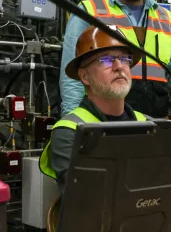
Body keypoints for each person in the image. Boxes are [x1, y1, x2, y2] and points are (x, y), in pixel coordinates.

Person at [40, 26, 148, 188]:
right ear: (85, 77)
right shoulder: (69, 131)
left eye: (124, 59)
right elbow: (86, 201)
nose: (119, 66)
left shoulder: (147, 124)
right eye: (107, 59)